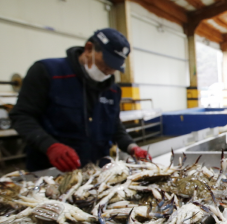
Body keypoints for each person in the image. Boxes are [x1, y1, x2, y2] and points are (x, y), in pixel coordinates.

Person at [10, 28, 151, 172]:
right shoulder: (48, 73)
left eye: (114, 67)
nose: (109, 71)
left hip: (98, 172)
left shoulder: (113, 90)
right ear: (89, 49)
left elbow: (114, 125)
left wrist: (132, 147)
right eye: (106, 64)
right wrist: (49, 146)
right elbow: (22, 116)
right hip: (53, 171)